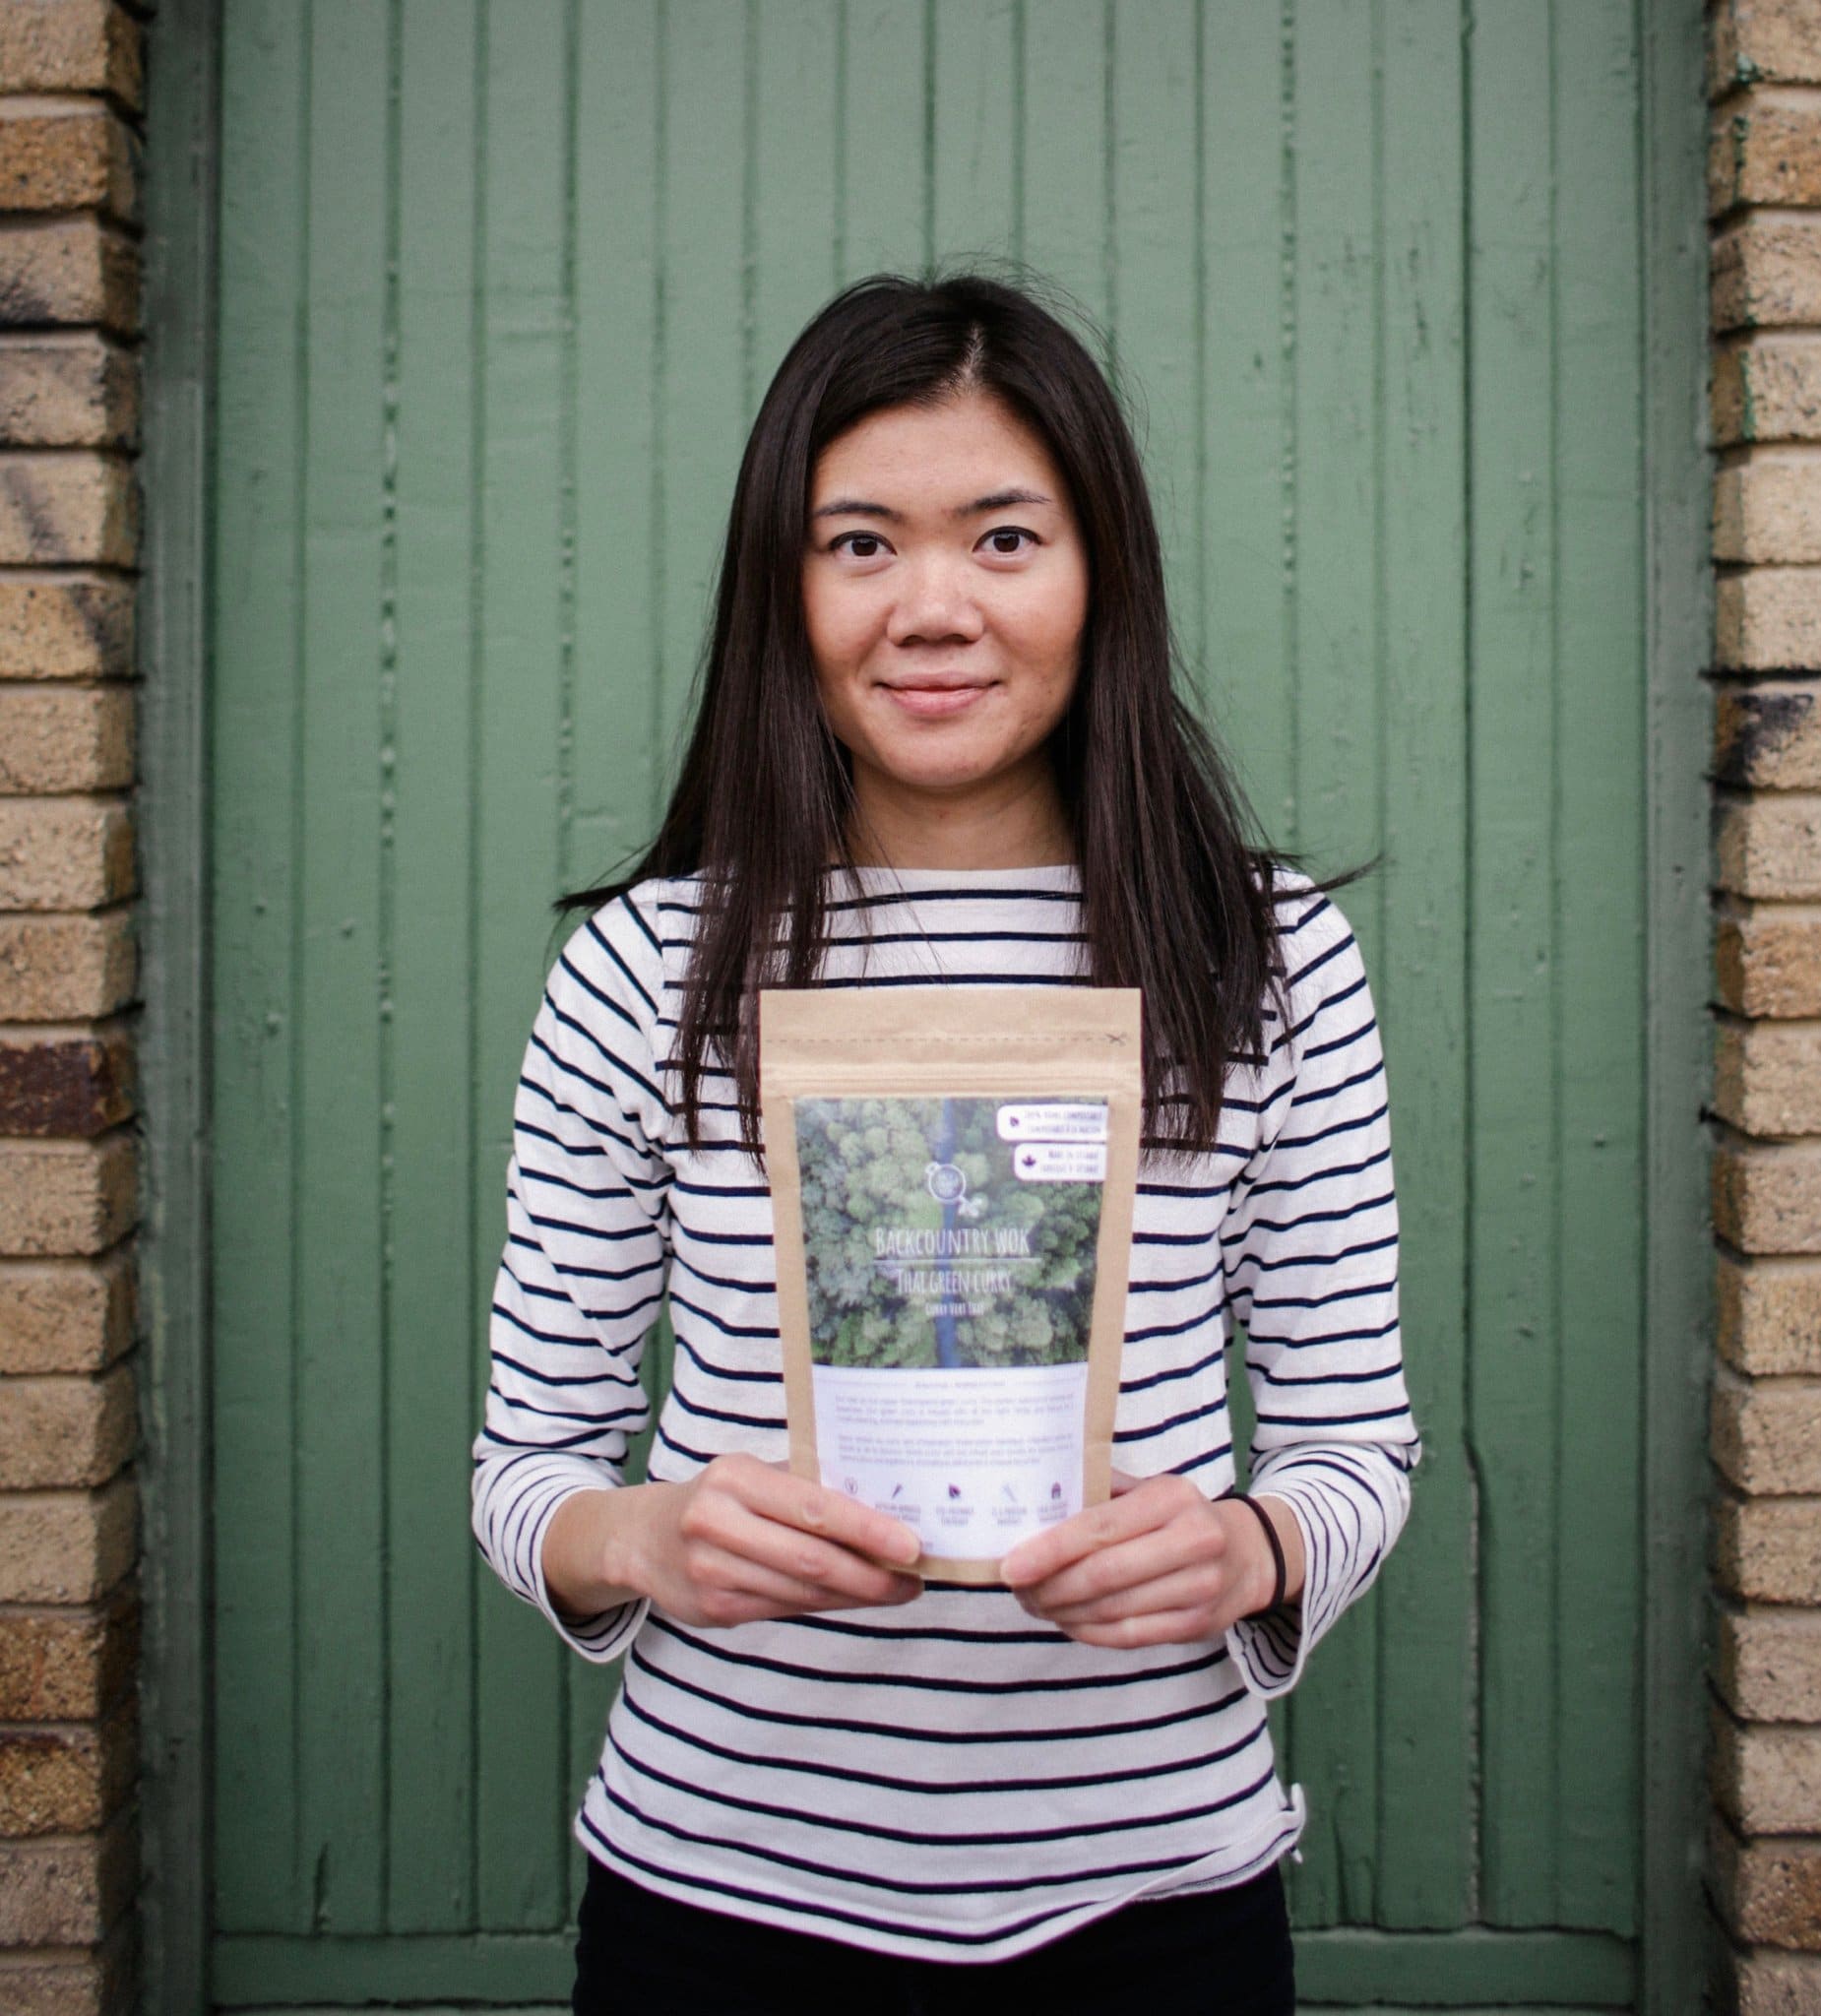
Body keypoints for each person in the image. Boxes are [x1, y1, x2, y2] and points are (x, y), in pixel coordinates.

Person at [470, 271, 1419, 2016]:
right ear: (787, 588)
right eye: (857, 545)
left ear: (1098, 573)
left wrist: (1252, 1554)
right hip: (721, 1891)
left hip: (1155, 1896)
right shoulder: (648, 967)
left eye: (1002, 539)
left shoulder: (1263, 956)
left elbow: (1357, 1447)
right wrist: (654, 1541)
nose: (931, 609)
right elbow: (525, 1472)